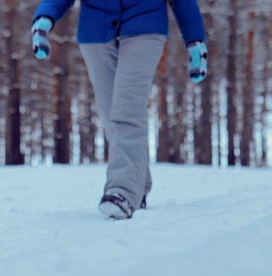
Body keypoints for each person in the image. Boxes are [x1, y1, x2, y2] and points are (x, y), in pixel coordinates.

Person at [31, 0, 208, 220]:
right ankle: (138, 184)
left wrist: (195, 41)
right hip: (96, 30)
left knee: (127, 108)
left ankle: (121, 192)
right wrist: (43, 19)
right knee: (110, 115)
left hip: (145, 26)